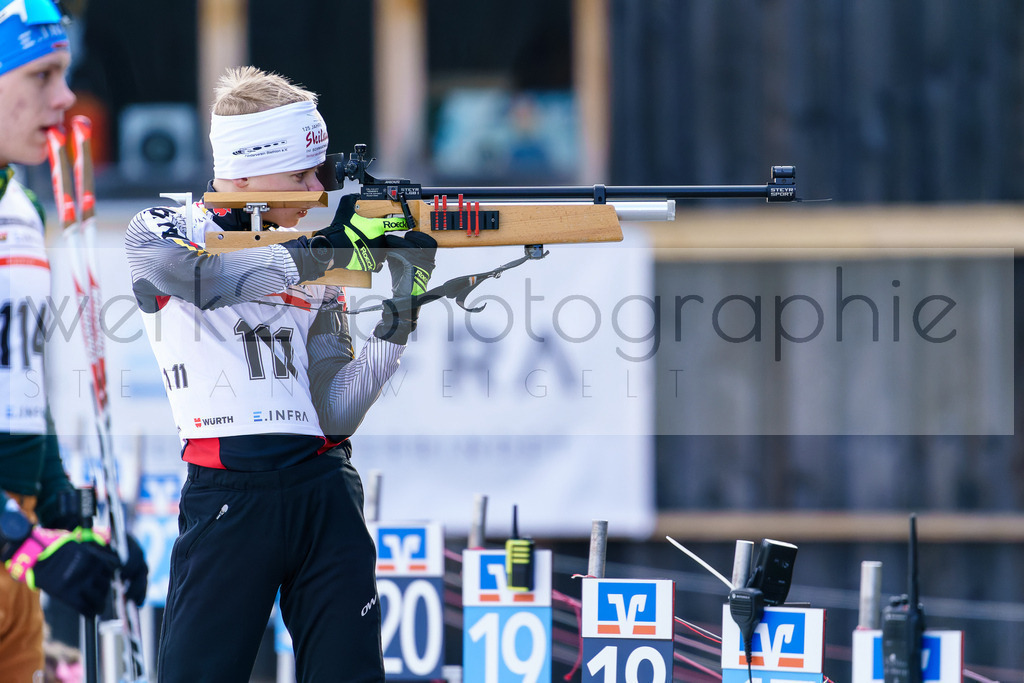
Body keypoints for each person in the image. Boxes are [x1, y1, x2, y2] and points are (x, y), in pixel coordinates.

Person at [125, 65, 437, 682]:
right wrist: (321, 254)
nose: (319, 191)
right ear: (242, 171)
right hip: (228, 497)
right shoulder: (167, 229)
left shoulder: (315, 260)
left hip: (323, 492)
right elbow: (201, 280)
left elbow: (336, 411)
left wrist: (406, 303)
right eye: (301, 174)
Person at [0, 1, 148, 680]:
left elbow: (22, 379)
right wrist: (25, 542)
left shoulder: (23, 208)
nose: (65, 98)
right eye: (42, 74)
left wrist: (68, 512)